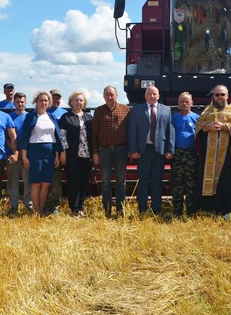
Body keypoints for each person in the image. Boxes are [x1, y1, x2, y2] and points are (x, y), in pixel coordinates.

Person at [195, 85, 231, 219]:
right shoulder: (207, 112)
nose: (220, 97)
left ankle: (225, 209)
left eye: (222, 94)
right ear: (213, 96)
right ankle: (208, 208)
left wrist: (225, 126)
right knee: (207, 179)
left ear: (227, 96)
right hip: (209, 154)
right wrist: (207, 127)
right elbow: (198, 127)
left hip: (227, 154)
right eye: (217, 95)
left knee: (225, 180)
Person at [128, 85, 174, 215]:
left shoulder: (166, 110)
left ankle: (156, 209)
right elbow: (132, 132)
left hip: (159, 150)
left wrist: (169, 149)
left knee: (157, 181)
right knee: (143, 180)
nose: (152, 96)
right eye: (149, 94)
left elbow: (169, 131)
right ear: (145, 95)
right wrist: (133, 150)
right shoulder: (137, 110)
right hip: (143, 151)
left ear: (159, 95)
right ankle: (142, 209)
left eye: (154, 94)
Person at [19, 91, 63, 216]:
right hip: (34, 152)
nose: (43, 103)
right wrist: (24, 155)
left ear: (49, 102)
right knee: (36, 182)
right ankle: (37, 211)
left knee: (46, 183)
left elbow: (56, 137)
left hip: (49, 153)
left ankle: (41, 209)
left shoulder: (52, 117)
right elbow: (25, 137)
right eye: (41, 100)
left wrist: (56, 155)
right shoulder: (31, 117)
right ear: (36, 102)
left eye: (46, 100)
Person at [92, 85, 131, 218]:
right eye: (107, 95)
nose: (109, 97)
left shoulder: (125, 109)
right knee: (106, 181)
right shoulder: (98, 111)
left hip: (121, 149)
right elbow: (94, 134)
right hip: (104, 150)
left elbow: (130, 131)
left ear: (117, 95)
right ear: (103, 96)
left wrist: (130, 150)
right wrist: (95, 152)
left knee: (121, 180)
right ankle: (107, 210)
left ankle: (120, 209)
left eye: (112, 94)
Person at [59, 91, 94, 216]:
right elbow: (62, 137)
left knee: (84, 181)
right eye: (76, 100)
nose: (79, 102)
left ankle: (81, 207)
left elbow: (93, 137)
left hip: (86, 155)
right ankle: (73, 208)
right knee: (73, 181)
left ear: (84, 102)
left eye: (81, 100)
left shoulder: (89, 117)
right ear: (71, 103)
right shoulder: (66, 117)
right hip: (71, 155)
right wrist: (63, 153)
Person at [171, 92, 200, 217]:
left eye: (187, 101)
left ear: (191, 103)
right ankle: (177, 212)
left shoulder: (197, 118)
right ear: (178, 103)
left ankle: (191, 212)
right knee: (177, 184)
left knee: (191, 184)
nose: (184, 103)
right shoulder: (173, 118)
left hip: (191, 154)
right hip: (177, 153)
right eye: (182, 101)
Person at [7, 92, 32, 215]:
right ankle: (13, 207)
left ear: (25, 102)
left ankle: (29, 206)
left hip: (27, 155)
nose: (20, 104)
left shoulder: (30, 117)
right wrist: (14, 151)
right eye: (17, 102)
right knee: (12, 181)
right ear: (14, 103)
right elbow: (6, 137)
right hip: (12, 154)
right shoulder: (9, 117)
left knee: (28, 182)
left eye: (22, 102)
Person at [45, 88, 67, 214]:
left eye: (58, 98)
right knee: (43, 179)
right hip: (44, 150)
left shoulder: (64, 113)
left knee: (56, 180)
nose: (55, 100)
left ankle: (54, 206)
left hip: (58, 150)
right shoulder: (43, 112)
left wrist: (62, 152)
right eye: (53, 97)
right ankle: (43, 204)